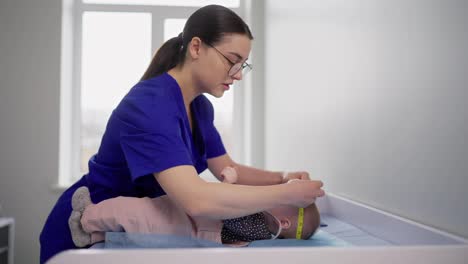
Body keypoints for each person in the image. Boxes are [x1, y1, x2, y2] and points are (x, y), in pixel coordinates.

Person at [40, 4, 324, 263]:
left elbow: (227, 167)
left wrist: (283, 177)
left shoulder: (199, 108)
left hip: (139, 233)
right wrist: (284, 195)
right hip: (89, 231)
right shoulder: (149, 106)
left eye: (243, 65)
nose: (238, 74)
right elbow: (196, 200)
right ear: (197, 47)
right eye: (232, 60)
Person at [68, 167, 321, 247]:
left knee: (134, 213)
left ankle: (88, 218)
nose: (273, 196)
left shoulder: (260, 228)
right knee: (133, 232)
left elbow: (226, 211)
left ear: (284, 223)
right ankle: (94, 235)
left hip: (184, 225)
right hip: (186, 221)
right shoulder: (261, 221)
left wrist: (229, 184)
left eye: (282, 198)